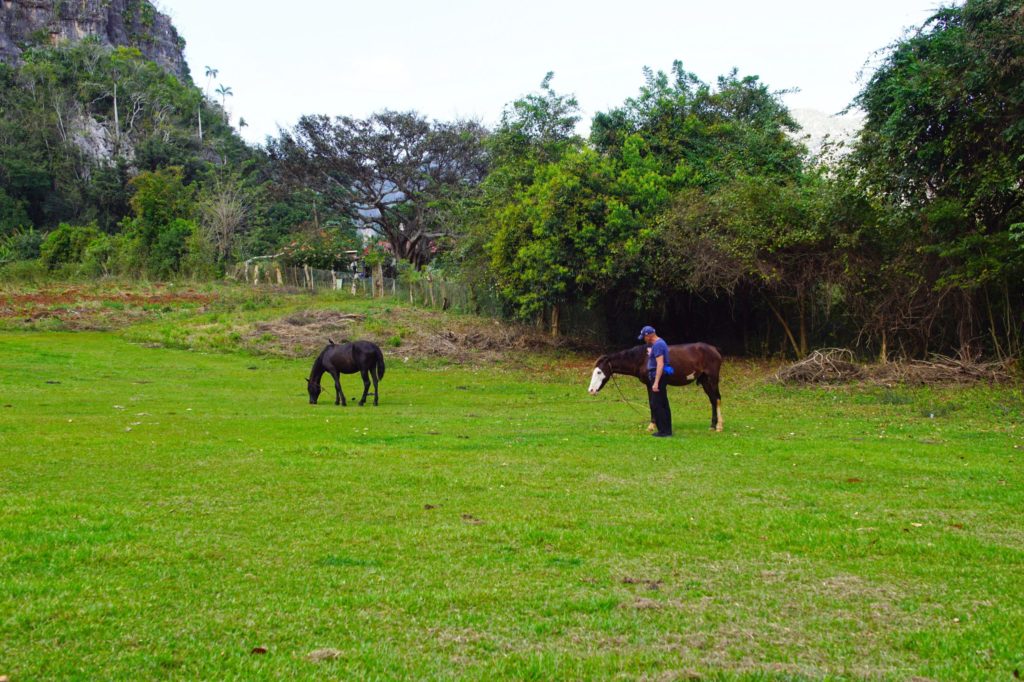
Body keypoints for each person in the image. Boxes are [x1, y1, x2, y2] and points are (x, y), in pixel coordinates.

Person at [639, 325, 672, 437]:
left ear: (649, 335)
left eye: (644, 336)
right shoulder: (660, 343)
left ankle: (663, 431)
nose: (644, 339)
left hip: (658, 376)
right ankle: (667, 430)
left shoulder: (658, 345)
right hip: (661, 375)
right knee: (663, 402)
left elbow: (660, 363)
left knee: (657, 403)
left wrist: (656, 382)